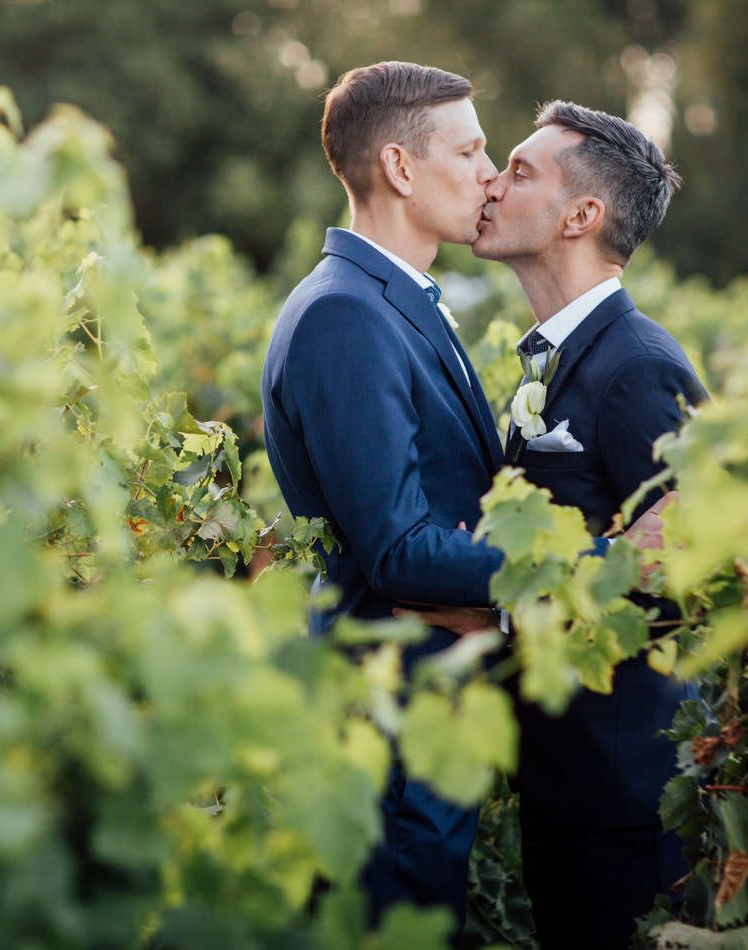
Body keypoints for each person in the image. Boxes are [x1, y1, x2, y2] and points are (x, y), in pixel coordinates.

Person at [260, 65, 667, 930]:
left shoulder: (397, 302)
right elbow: (400, 548)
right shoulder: (346, 314)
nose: (488, 174)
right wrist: (605, 563)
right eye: (473, 150)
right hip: (393, 722)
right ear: (402, 169)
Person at [442, 100, 705, 947]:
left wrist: (501, 609)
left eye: (519, 171)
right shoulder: (558, 356)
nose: (490, 180)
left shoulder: (636, 368)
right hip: (566, 775)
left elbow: (690, 565)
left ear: (580, 216)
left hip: (626, 793)